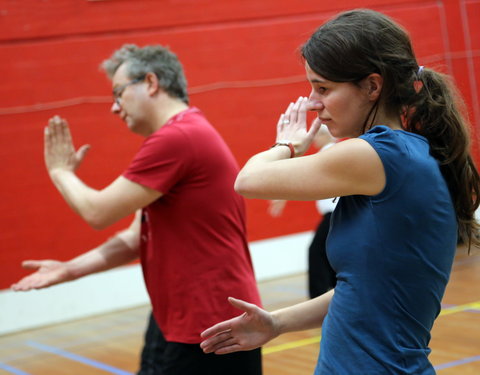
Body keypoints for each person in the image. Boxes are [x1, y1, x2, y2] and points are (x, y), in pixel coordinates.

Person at [200, 9, 480, 375]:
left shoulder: (377, 154)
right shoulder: (401, 153)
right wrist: (277, 322)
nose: (314, 103)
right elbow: (362, 290)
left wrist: (286, 144)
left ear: (372, 87)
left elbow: (247, 181)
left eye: (323, 88)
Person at [11, 44, 262, 375]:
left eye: (118, 93)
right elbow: (133, 238)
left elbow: (97, 212)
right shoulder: (180, 135)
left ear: (151, 82)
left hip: (211, 322)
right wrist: (68, 269)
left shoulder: (178, 137)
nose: (115, 108)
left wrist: (60, 172)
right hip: (178, 317)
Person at [268, 125, 338, 298]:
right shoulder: (331, 152)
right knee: (329, 253)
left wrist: (283, 195)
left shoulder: (329, 152)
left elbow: (305, 176)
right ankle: (334, 292)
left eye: (318, 135)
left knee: (316, 251)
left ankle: (317, 297)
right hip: (335, 215)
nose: (315, 139)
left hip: (334, 214)